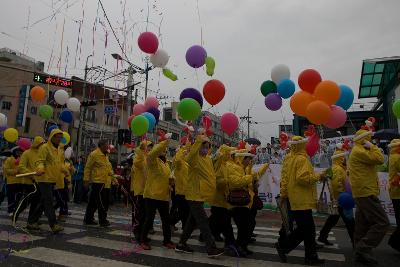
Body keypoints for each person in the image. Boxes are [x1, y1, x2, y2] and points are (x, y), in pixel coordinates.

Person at [275, 136, 325, 265]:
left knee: (308, 229)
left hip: (295, 198)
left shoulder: (290, 159)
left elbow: (284, 178)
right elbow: (302, 178)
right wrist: (319, 176)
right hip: (302, 199)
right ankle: (284, 247)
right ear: (302, 146)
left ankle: (310, 256)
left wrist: (284, 194)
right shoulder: (302, 159)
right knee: (306, 230)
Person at [175, 134, 225, 257]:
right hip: (193, 195)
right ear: (199, 147)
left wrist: (220, 156)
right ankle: (211, 248)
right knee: (203, 222)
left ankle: (181, 244)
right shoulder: (194, 158)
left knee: (191, 222)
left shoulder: (207, 159)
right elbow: (191, 154)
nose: (206, 149)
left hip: (200, 195)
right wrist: (199, 140)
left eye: (208, 147)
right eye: (204, 147)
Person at [349, 129, 389, 265]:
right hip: (365, 191)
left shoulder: (359, 150)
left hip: (362, 191)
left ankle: (359, 253)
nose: (371, 140)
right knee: (382, 222)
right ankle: (362, 248)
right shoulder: (360, 151)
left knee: (362, 224)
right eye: (369, 138)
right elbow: (379, 159)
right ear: (364, 139)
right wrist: (373, 147)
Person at [140, 137, 176, 250]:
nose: (165, 151)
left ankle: (167, 241)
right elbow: (153, 153)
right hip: (152, 195)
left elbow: (166, 178)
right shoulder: (152, 160)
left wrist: (171, 183)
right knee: (149, 218)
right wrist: (164, 141)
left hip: (164, 196)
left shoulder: (166, 164)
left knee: (166, 220)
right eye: (163, 149)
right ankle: (143, 240)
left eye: (165, 150)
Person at [30, 129, 66, 233]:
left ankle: (32, 221)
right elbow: (39, 160)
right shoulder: (44, 147)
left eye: (60, 137)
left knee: (43, 202)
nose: (59, 139)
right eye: (58, 137)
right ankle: (53, 224)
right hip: (44, 179)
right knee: (49, 201)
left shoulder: (58, 149)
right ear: (52, 137)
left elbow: (58, 163)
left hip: (52, 179)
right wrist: (40, 168)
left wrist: (65, 170)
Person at [318, 148, 355, 246]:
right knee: (350, 221)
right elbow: (336, 185)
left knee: (333, 219)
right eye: (344, 157)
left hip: (338, 199)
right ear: (340, 158)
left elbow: (324, 177)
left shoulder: (334, 168)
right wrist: (342, 195)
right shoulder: (338, 169)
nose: (345, 159)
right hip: (342, 199)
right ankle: (356, 242)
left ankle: (322, 236)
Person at [227, 148, 258, 256]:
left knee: (246, 225)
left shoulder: (243, 168)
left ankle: (241, 246)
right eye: (248, 159)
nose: (249, 161)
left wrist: (253, 183)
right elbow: (235, 182)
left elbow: (245, 183)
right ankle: (237, 247)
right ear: (242, 158)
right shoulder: (234, 167)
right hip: (236, 203)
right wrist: (250, 178)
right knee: (246, 225)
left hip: (243, 202)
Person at [208, 145, 237, 251]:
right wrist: (227, 181)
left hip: (223, 198)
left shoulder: (225, 165)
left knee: (215, 221)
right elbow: (215, 180)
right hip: (217, 198)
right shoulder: (218, 164)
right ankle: (230, 242)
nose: (230, 155)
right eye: (228, 153)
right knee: (225, 222)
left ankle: (206, 234)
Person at [83, 140, 117, 227]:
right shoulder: (94, 154)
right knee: (102, 202)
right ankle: (102, 220)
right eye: (106, 145)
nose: (108, 147)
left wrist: (114, 180)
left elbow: (109, 169)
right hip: (98, 182)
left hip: (106, 183)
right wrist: (86, 180)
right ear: (101, 145)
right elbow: (88, 168)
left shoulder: (106, 155)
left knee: (93, 202)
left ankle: (88, 219)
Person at [14, 136, 45, 224]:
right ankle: (15, 215)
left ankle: (30, 221)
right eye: (41, 143)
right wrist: (32, 173)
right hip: (29, 182)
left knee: (35, 203)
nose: (42, 145)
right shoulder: (27, 153)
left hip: (39, 182)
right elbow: (21, 167)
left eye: (43, 144)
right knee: (26, 202)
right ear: (36, 143)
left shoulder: (41, 154)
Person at [131, 140, 152, 241]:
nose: (150, 148)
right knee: (139, 214)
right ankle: (137, 232)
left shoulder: (148, 158)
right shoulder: (138, 157)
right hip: (140, 190)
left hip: (148, 191)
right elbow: (137, 162)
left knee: (146, 214)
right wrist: (140, 150)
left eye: (151, 147)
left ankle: (143, 233)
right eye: (148, 146)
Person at [170, 142, 190, 231]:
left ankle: (184, 226)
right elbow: (177, 160)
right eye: (185, 151)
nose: (186, 152)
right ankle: (171, 223)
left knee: (184, 210)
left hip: (186, 190)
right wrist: (182, 150)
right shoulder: (178, 161)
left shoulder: (186, 163)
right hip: (178, 189)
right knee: (180, 209)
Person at [388, 139, 400, 253]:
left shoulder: (393, 156)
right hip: (397, 191)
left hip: (395, 191)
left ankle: (395, 242)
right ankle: (394, 242)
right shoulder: (397, 157)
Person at [4, 147, 23, 217]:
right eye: (18, 151)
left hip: (20, 181)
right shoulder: (9, 159)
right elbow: (6, 170)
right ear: (15, 151)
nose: (19, 153)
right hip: (11, 182)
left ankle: (15, 207)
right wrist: (16, 171)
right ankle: (10, 210)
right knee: (11, 197)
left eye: (21, 152)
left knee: (19, 196)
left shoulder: (21, 159)